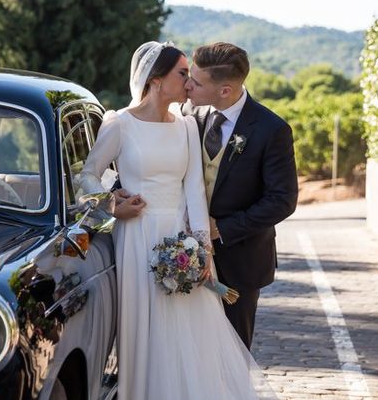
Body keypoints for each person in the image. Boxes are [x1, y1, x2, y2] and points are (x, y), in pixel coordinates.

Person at [77, 41, 274, 400]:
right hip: (136, 235)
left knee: (192, 333)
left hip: (180, 238)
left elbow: (195, 191)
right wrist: (111, 204)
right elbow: (87, 178)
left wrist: (203, 251)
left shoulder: (186, 126)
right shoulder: (118, 123)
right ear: (155, 80)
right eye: (182, 74)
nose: (189, 82)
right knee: (145, 329)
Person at [184, 42, 298, 350]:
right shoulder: (187, 116)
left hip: (240, 262)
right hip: (183, 258)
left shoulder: (271, 129)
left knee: (232, 353)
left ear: (224, 90)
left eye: (196, 81)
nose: (187, 84)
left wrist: (221, 228)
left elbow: (282, 199)